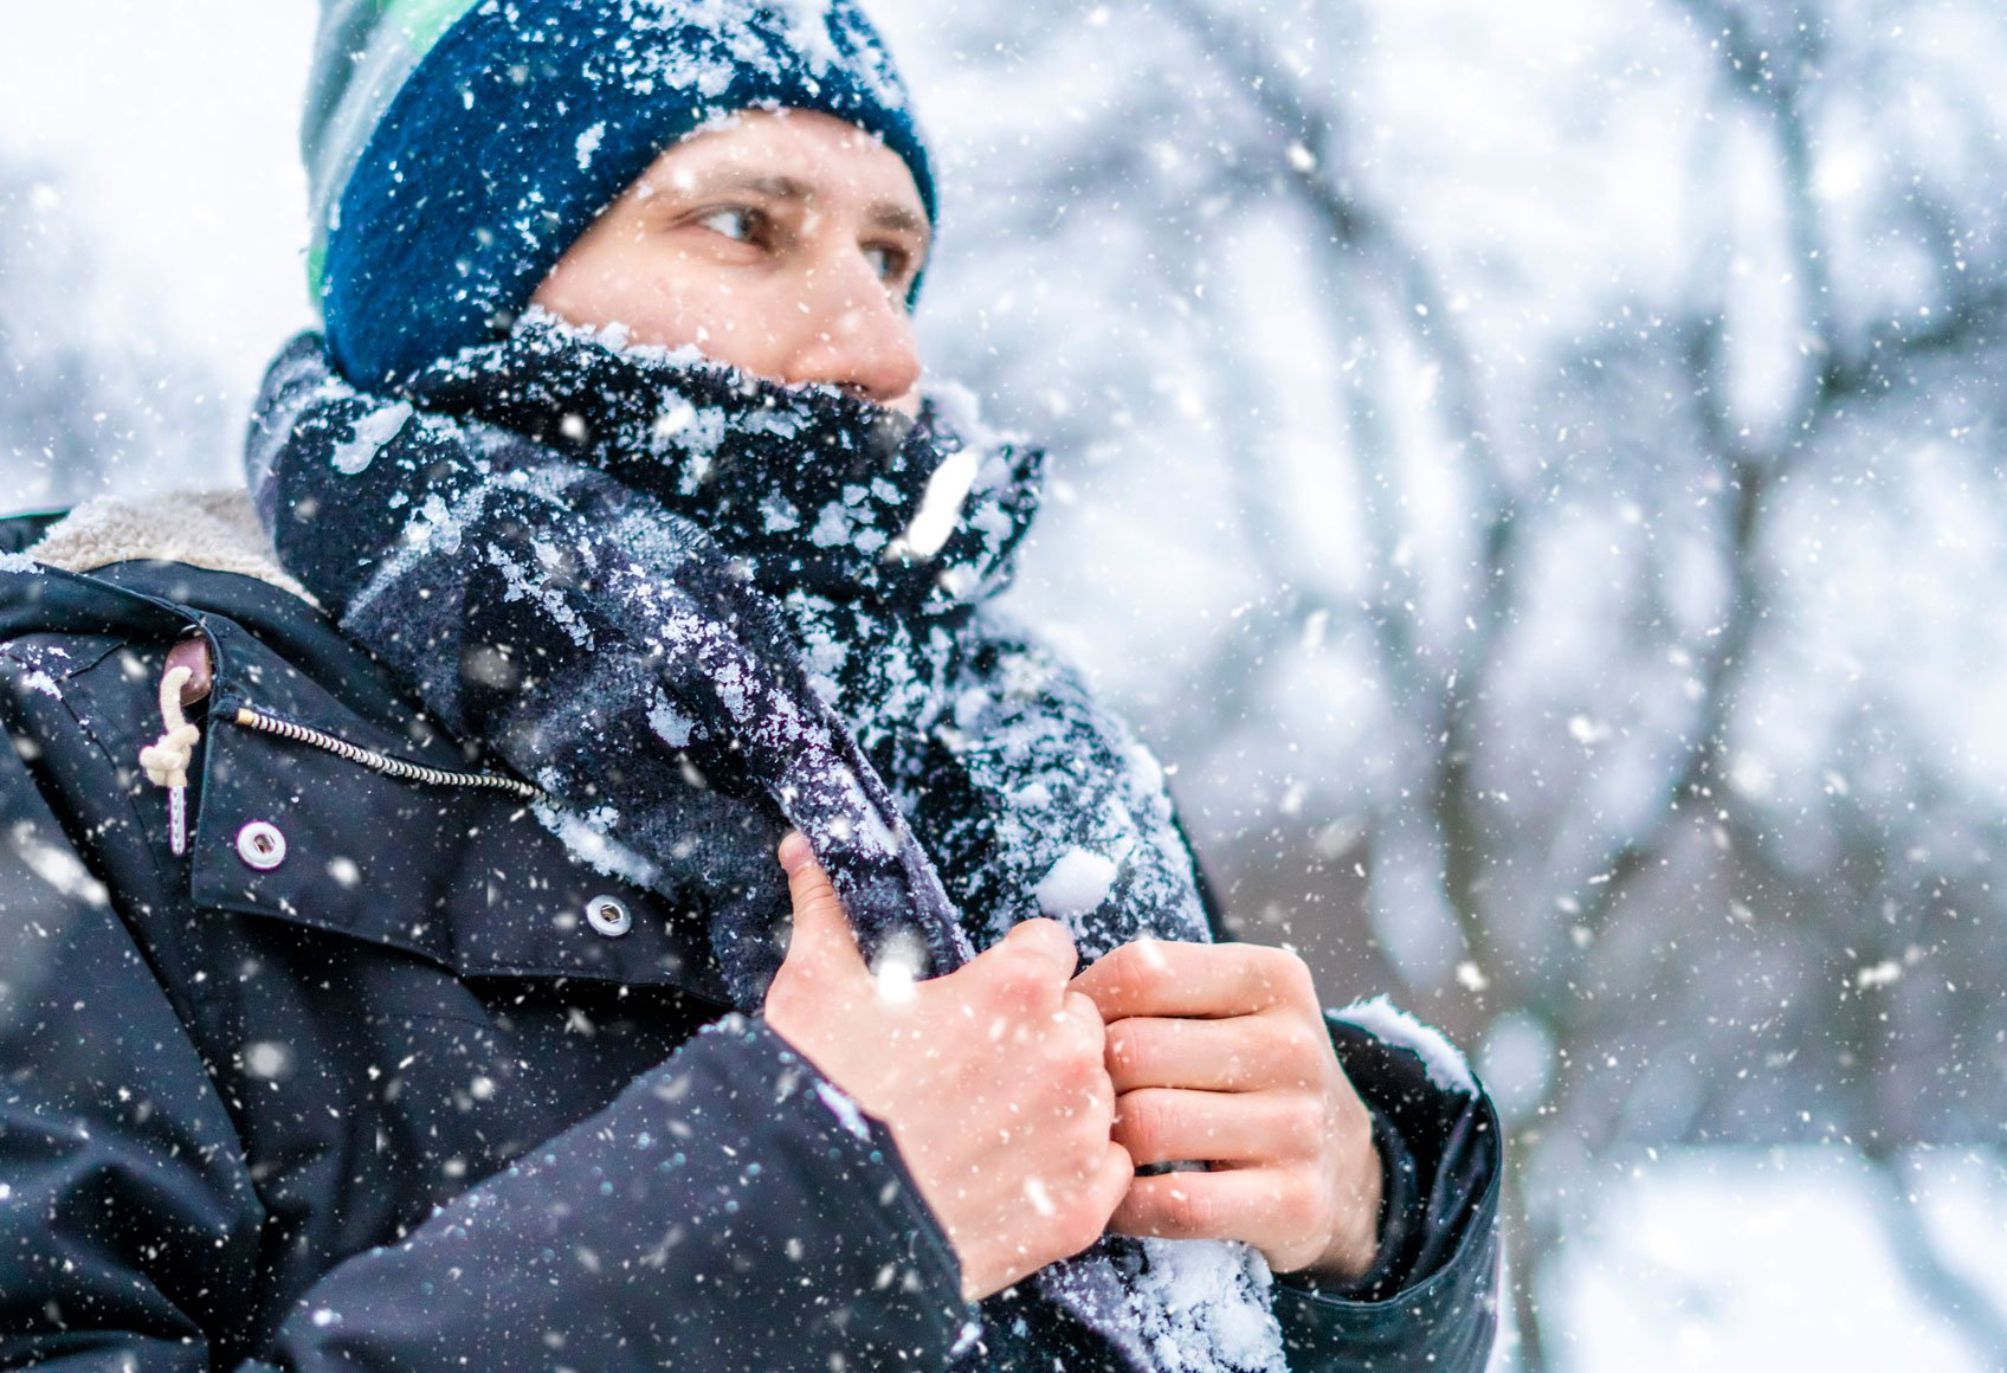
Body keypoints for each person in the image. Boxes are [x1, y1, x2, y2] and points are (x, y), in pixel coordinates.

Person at [0, 1, 1501, 1368]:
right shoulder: (91, 748)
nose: (880, 348)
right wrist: (807, 1217)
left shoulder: (1019, 758)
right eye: (743, 222)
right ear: (465, 277)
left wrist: (1366, 1237)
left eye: (892, 256)